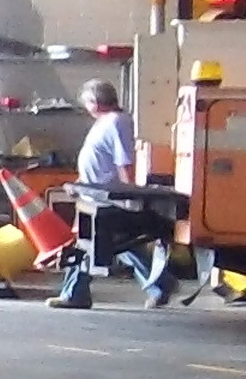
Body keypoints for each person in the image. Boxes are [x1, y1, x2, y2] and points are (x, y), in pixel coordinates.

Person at [51, 78, 170, 310]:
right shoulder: (107, 122)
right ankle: (159, 284)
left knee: (89, 244)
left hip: (108, 199)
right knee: (124, 246)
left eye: (86, 102)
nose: (86, 108)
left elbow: (124, 162)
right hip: (96, 195)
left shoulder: (117, 122)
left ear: (95, 101)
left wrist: (131, 197)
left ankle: (75, 293)